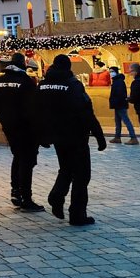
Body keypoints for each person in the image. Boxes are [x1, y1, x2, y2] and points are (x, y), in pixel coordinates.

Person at [40, 54, 107, 226]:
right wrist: (99, 135)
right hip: (76, 135)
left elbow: (38, 111)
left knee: (66, 169)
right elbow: (86, 111)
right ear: (68, 67)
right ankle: (77, 214)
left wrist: (43, 134)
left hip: (57, 136)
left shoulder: (43, 85)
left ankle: (56, 196)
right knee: (82, 175)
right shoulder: (73, 85)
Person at [0, 53, 44, 212]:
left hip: (10, 128)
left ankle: (16, 192)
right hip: (26, 129)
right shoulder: (26, 81)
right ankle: (26, 198)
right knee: (27, 161)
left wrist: (5, 121)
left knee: (18, 157)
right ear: (23, 64)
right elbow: (34, 107)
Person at [108, 67, 138, 144]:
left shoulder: (119, 82)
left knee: (126, 121)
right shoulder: (117, 81)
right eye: (110, 71)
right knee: (117, 121)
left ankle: (133, 137)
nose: (111, 73)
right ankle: (117, 137)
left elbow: (119, 94)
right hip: (118, 104)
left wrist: (115, 102)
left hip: (120, 104)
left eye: (112, 71)